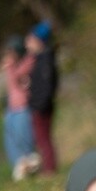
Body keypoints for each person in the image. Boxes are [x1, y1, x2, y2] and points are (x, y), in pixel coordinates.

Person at [0, 34, 39, 179]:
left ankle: (31, 165)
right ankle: (20, 166)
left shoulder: (26, 63)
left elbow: (17, 77)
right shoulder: (13, 66)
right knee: (12, 140)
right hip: (12, 108)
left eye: (12, 52)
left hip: (23, 106)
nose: (10, 55)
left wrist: (10, 67)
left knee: (25, 137)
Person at [26, 20, 59, 174]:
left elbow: (47, 86)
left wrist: (39, 103)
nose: (28, 44)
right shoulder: (40, 59)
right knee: (41, 139)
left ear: (39, 42)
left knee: (44, 139)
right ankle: (47, 167)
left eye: (31, 40)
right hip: (38, 104)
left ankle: (49, 169)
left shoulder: (45, 60)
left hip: (42, 106)